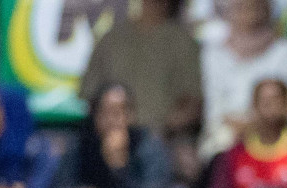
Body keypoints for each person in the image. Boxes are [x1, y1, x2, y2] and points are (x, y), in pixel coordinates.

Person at [199, 0, 287, 161]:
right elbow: (213, 108)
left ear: (267, 9)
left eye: (255, 6)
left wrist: (256, 125)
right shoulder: (213, 53)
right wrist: (238, 127)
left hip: (276, 138)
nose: (249, 13)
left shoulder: (285, 50)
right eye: (242, 7)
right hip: (226, 137)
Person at [79, 0, 203, 140]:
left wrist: (159, 129)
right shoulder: (112, 38)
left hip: (163, 139)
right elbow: (89, 96)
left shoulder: (183, 43)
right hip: (110, 135)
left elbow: (194, 104)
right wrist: (112, 126)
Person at [54, 84, 173, 188]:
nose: (112, 122)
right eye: (106, 113)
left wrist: (119, 168)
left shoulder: (148, 146)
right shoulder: (81, 144)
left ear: (131, 115)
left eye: (118, 113)